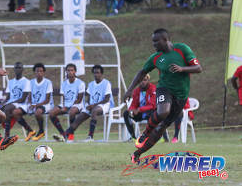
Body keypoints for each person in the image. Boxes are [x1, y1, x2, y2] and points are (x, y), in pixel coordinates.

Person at [125, 28, 201, 163]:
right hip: (164, 89)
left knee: (162, 127)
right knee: (162, 112)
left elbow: (198, 68)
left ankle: (137, 153)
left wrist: (182, 69)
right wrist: (130, 89)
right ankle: (145, 133)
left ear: (165, 40)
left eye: (156, 41)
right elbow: (142, 72)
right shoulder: (155, 58)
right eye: (152, 42)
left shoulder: (182, 49)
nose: (154, 44)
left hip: (181, 95)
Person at [64, 65, 112, 142]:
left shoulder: (106, 83)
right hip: (93, 106)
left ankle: (90, 136)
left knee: (95, 111)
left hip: (103, 105)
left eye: (98, 73)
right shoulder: (91, 84)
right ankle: (65, 134)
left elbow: (106, 99)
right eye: (94, 73)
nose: (96, 74)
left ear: (101, 74)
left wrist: (93, 106)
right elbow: (89, 99)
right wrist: (88, 105)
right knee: (80, 117)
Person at [51, 64, 85, 142]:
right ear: (66, 72)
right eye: (68, 70)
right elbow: (62, 97)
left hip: (77, 105)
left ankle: (70, 135)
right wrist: (63, 106)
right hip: (66, 104)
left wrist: (68, 106)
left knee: (71, 112)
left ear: (75, 72)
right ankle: (63, 134)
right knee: (52, 113)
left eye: (72, 70)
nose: (70, 72)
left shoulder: (80, 83)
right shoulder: (64, 83)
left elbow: (79, 99)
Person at [1, 62, 32, 138]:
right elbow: (8, 97)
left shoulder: (26, 82)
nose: (18, 70)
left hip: (22, 104)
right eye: (16, 68)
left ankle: (6, 135)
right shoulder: (11, 82)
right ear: (14, 70)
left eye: (19, 68)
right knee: (0, 109)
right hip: (12, 104)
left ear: (22, 70)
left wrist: (8, 104)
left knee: (7, 109)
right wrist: (2, 103)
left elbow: (23, 99)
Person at [123, 74, 156, 140]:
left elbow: (152, 105)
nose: (142, 82)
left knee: (154, 114)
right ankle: (133, 137)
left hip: (150, 111)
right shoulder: (136, 90)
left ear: (148, 80)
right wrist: (131, 110)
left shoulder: (153, 88)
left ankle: (152, 136)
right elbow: (133, 104)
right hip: (139, 114)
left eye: (145, 80)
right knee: (126, 113)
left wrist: (139, 109)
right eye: (141, 80)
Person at [27, 63, 54, 141]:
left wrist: (35, 105)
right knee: (17, 111)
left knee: (38, 112)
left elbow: (47, 100)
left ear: (44, 72)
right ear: (34, 72)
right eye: (37, 71)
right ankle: (29, 131)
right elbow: (29, 96)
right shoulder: (31, 82)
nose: (39, 73)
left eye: (41, 71)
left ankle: (41, 131)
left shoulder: (48, 82)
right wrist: (31, 104)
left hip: (46, 105)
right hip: (34, 105)